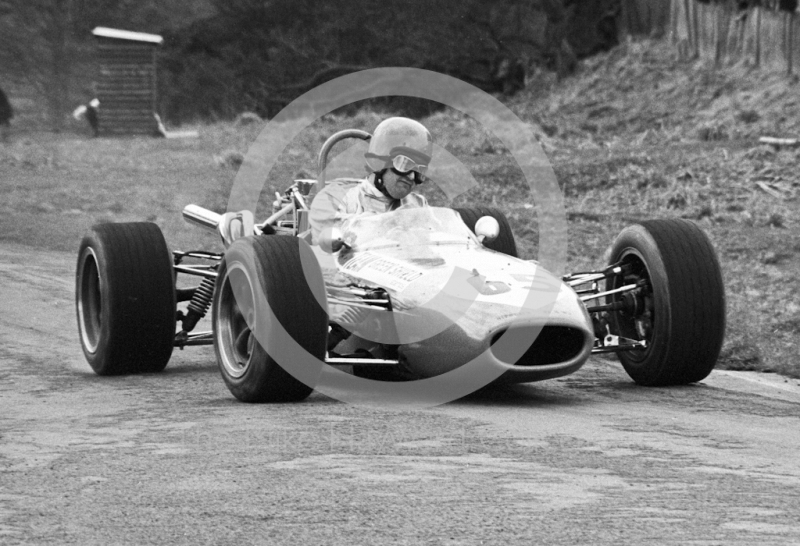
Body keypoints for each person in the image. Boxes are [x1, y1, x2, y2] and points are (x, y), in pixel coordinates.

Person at [336, 117, 432, 221]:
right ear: (378, 163)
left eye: (420, 171)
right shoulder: (346, 200)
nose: (412, 176)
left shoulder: (418, 204)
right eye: (404, 164)